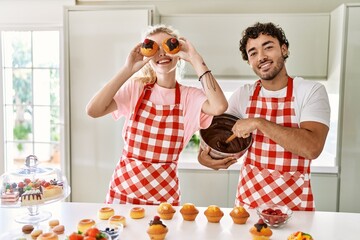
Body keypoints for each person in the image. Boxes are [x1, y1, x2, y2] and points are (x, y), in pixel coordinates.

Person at [86, 24, 227, 206]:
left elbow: (219, 106)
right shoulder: (137, 88)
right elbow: (93, 110)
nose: (161, 53)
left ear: (178, 51)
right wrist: (128, 69)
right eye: (154, 48)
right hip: (122, 194)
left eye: (167, 46)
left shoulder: (189, 97)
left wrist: (195, 58)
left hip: (164, 199)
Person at [198, 22, 330, 211]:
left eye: (268, 47)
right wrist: (204, 158)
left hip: (293, 209)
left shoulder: (309, 91)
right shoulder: (244, 95)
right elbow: (216, 136)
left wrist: (258, 123)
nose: (261, 57)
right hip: (248, 206)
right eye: (253, 53)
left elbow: (312, 148)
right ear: (249, 62)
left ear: (284, 49)